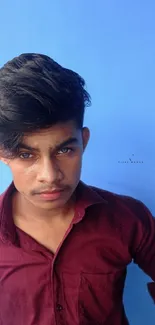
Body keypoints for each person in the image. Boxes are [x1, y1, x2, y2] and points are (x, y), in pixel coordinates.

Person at [0, 53, 154, 325]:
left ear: (83, 141)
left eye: (65, 150)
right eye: (26, 155)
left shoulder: (128, 218)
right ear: (2, 152)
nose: (49, 176)